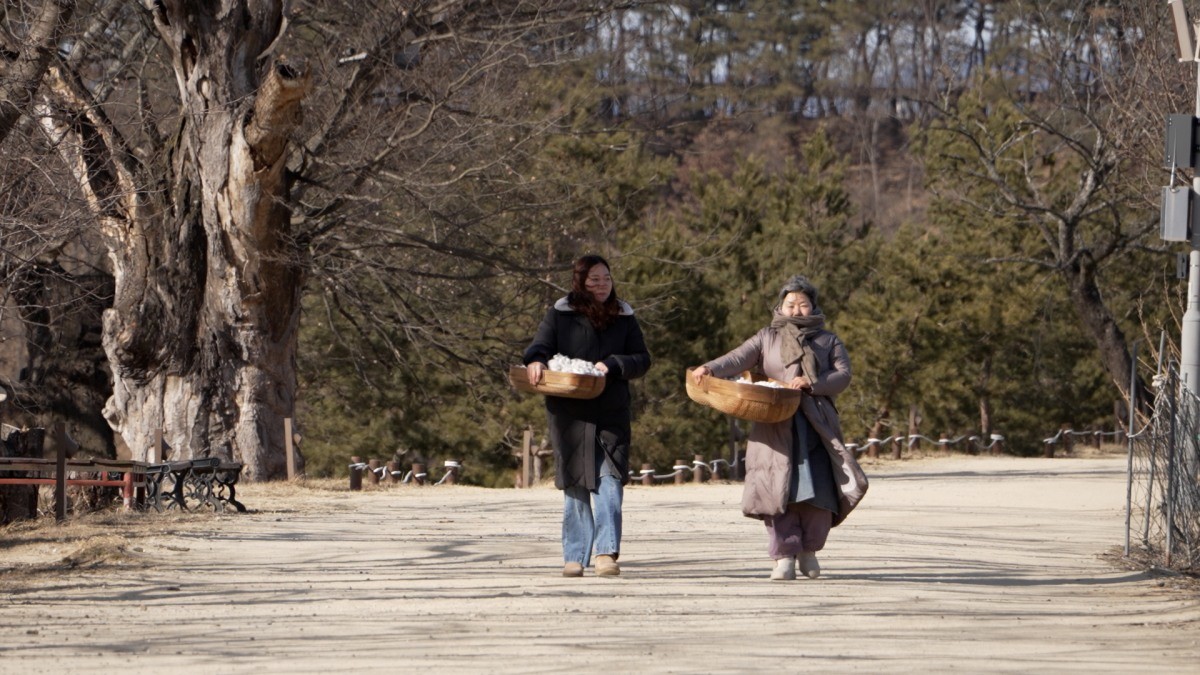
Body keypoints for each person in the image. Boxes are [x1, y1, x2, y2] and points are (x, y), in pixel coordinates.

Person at [691, 275, 867, 580]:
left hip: (816, 423)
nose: (797, 310)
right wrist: (710, 368)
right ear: (780, 307)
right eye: (791, 304)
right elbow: (737, 357)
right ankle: (783, 556)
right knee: (777, 490)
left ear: (813, 306)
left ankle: (809, 550)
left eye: (803, 304)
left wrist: (812, 383)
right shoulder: (766, 337)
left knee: (818, 490)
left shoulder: (828, 340)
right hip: (774, 423)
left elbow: (844, 375)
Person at [523, 254, 652, 578]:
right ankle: (575, 555)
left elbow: (642, 358)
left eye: (605, 278)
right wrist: (536, 361)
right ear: (580, 281)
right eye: (594, 279)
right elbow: (540, 347)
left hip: (611, 411)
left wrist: (614, 364)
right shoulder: (560, 312)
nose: (601, 284)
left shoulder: (624, 315)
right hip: (569, 412)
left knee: (610, 479)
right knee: (576, 484)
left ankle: (606, 553)